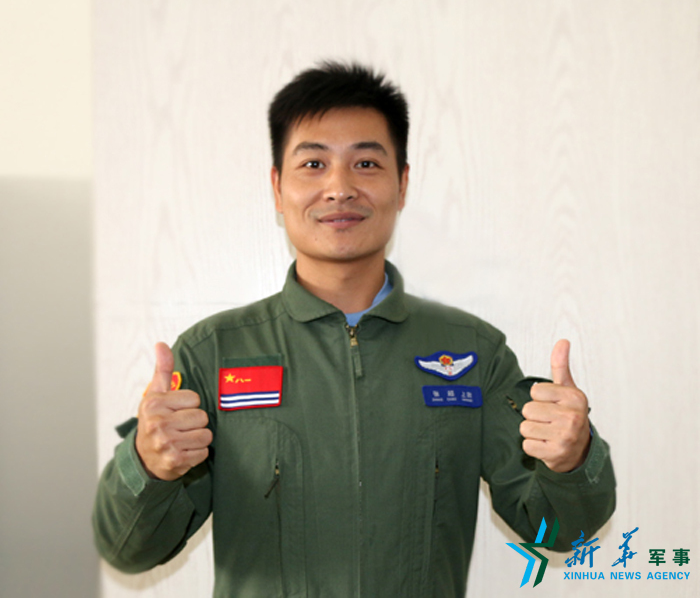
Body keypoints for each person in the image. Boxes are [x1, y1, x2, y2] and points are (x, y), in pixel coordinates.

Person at [93, 61, 615, 597]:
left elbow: (562, 532)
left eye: (366, 163)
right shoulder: (213, 353)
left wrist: (571, 460)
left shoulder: (471, 351)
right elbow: (128, 549)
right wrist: (148, 467)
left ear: (402, 184)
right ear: (277, 188)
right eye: (313, 164)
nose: (339, 188)